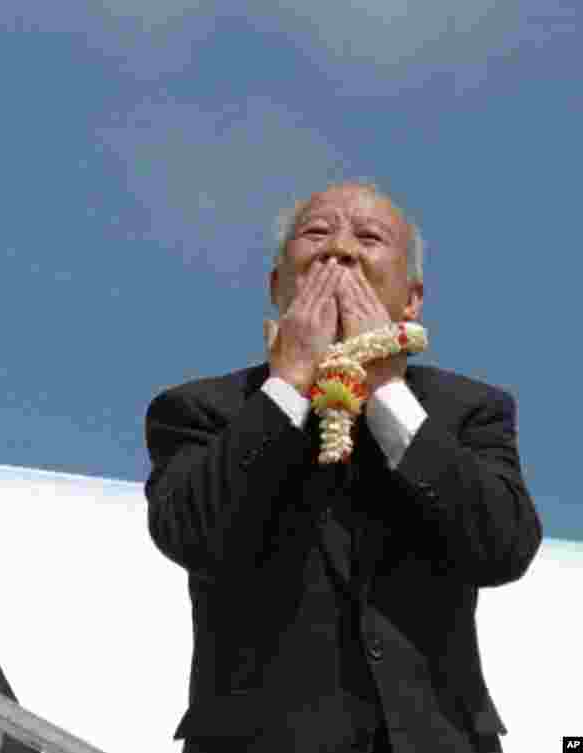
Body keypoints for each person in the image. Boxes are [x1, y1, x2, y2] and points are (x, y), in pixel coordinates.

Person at [143, 181, 542, 753]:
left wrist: (387, 391)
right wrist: (288, 382)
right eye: (316, 233)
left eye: (369, 238)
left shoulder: (467, 411)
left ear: (412, 300)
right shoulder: (200, 410)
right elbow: (191, 533)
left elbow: (504, 546)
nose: (340, 251)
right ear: (277, 285)